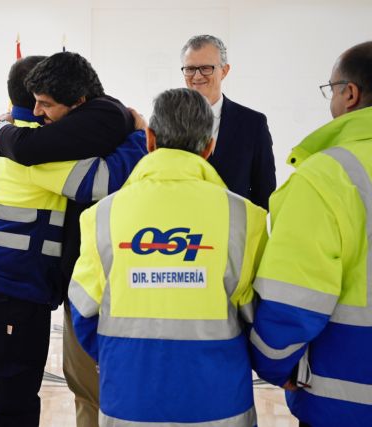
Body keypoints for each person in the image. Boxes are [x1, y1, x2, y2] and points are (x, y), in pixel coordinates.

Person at [0, 55, 146, 427]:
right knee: (11, 401)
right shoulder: (38, 154)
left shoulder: (2, 137)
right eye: (40, 101)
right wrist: (140, 136)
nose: (43, 111)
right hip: (11, 292)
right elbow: (101, 181)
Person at [69, 88, 268, 426]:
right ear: (209, 147)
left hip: (129, 402)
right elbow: (260, 316)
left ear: (149, 139)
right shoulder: (245, 218)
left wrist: (124, 361)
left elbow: (83, 311)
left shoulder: (102, 215)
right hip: (219, 405)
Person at [250, 41, 372, 427]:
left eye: (331, 89)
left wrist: (275, 365)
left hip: (348, 400)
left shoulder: (327, 176)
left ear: (348, 93)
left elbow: (292, 300)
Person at [181, 34, 276, 210]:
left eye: (206, 68)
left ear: (224, 71)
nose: (197, 76)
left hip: (232, 233)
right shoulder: (169, 122)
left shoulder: (253, 124)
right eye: (190, 68)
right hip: (181, 233)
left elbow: (265, 193)